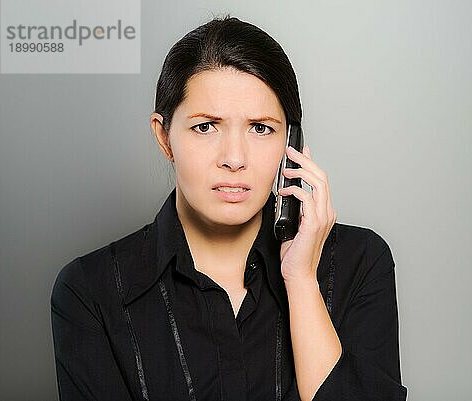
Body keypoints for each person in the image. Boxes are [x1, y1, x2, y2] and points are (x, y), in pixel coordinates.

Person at [50, 15, 407, 401]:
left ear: (291, 141)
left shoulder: (360, 263)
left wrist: (301, 281)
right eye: (206, 127)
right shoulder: (90, 291)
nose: (234, 159)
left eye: (261, 128)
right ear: (164, 137)